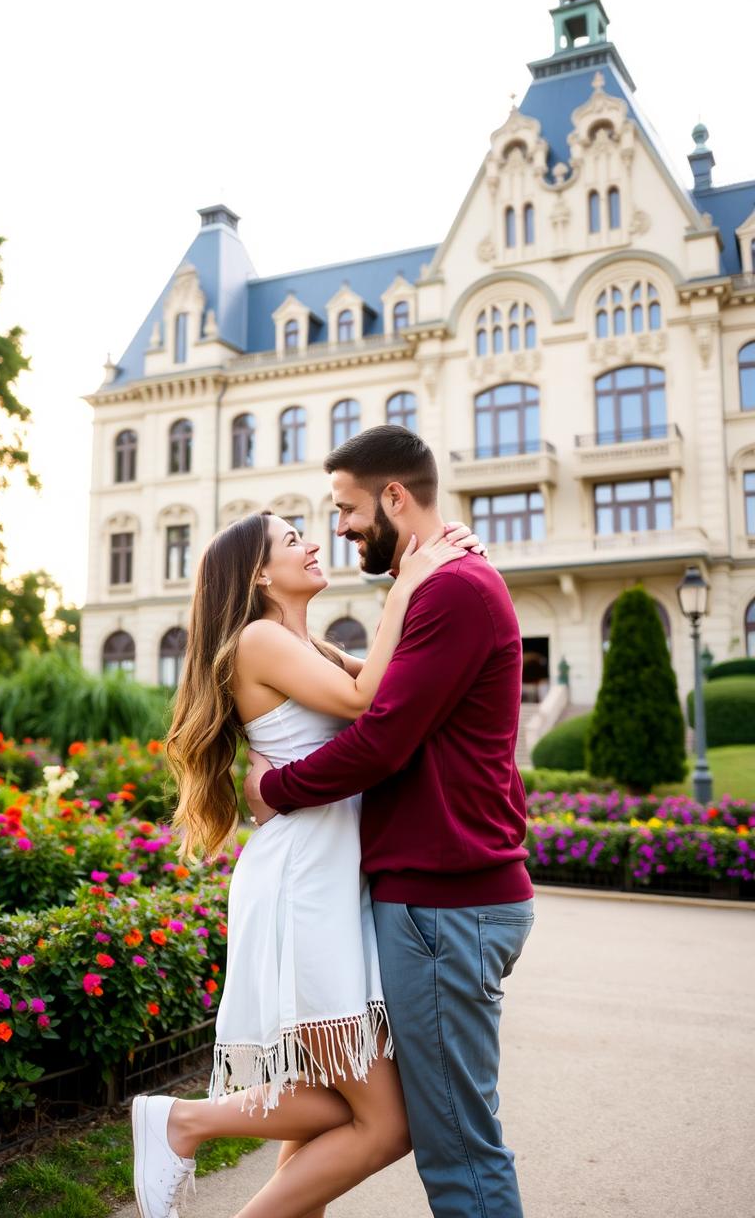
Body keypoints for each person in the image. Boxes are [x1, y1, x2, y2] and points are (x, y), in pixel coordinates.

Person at [131, 501, 483, 1218]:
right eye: (294, 540)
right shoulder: (259, 640)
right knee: (386, 1123)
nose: (314, 544)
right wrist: (410, 585)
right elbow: (364, 700)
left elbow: (398, 680)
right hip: (306, 885)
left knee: (329, 1104)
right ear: (260, 574)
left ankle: (186, 1127)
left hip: (326, 875)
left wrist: (453, 560)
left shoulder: (306, 645)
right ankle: (180, 1122)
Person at [245, 425, 535, 1218]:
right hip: (439, 899)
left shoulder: (450, 589)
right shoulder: (438, 582)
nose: (338, 526)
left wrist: (278, 789)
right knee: (365, 1107)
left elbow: (381, 740)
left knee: (458, 1150)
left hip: (447, 904)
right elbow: (383, 695)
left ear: (395, 497)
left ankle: (180, 1128)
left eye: (345, 508)